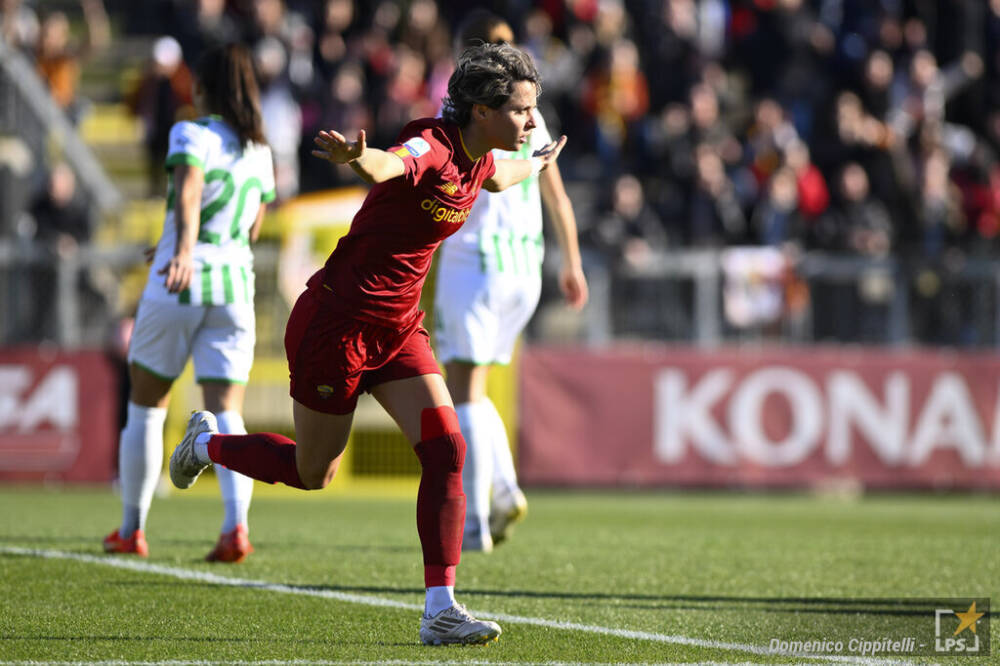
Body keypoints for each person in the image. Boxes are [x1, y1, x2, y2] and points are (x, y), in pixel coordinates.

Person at [168, 42, 566, 645]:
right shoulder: (434, 143)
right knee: (312, 473)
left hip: (399, 329)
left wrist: (538, 162)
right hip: (338, 325)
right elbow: (391, 164)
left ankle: (440, 609)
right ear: (481, 111)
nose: (531, 121)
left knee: (446, 449)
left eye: (533, 110)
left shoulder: (482, 158)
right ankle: (210, 445)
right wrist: (359, 159)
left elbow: (503, 177)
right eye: (521, 110)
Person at [103, 43, 276, 563]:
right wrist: (193, 242)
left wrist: (180, 249)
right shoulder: (260, 150)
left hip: (182, 280)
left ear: (203, 88)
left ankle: (132, 529)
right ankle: (236, 528)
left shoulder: (190, 132)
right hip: (233, 284)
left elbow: (189, 192)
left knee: (146, 404)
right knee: (227, 411)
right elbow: (251, 227)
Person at [432, 11, 588, 553]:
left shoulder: (463, 111)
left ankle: (476, 519)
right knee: (475, 389)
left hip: (475, 263)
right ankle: (503, 488)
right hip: (525, 267)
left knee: (463, 391)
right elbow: (558, 196)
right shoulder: (533, 117)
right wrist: (572, 262)